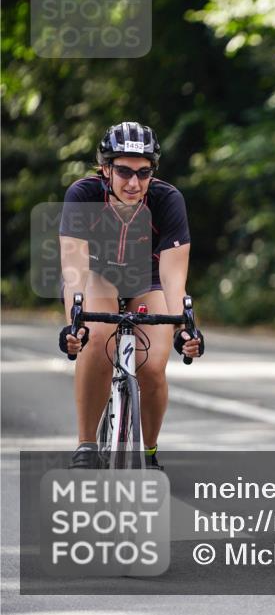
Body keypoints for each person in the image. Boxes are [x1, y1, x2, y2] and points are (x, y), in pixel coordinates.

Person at [58, 121, 204, 469]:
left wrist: (184, 328)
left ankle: (149, 449)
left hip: (146, 277)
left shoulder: (167, 200)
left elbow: (173, 277)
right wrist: (74, 325)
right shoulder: (83, 195)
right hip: (96, 275)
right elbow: (74, 270)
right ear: (106, 168)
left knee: (153, 367)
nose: (134, 183)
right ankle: (87, 444)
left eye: (144, 172)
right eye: (124, 171)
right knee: (97, 341)